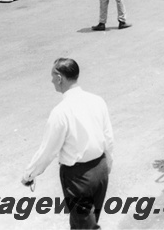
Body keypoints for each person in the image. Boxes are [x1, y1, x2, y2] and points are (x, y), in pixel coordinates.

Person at [21, 58, 114, 230]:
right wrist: (107, 165)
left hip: (78, 178)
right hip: (100, 171)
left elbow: (48, 150)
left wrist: (29, 175)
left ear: (59, 77)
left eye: (52, 76)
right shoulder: (97, 100)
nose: (51, 81)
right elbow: (108, 137)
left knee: (85, 226)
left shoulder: (61, 112)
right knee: (83, 223)